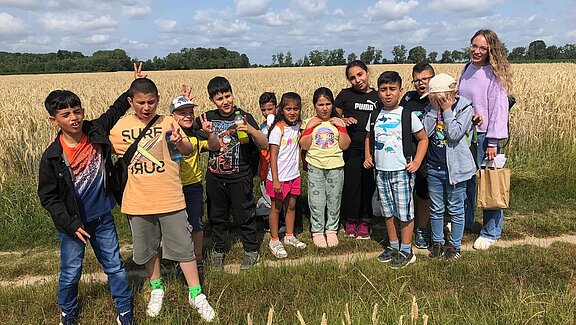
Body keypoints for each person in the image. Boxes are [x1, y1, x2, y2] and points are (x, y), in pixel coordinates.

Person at [109, 77, 215, 322]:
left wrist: (179, 143)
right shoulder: (119, 127)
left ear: (158, 100)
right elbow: (99, 145)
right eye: (141, 103)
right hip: (137, 201)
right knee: (147, 250)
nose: (146, 107)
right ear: (130, 102)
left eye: (152, 102)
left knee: (184, 248)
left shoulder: (167, 122)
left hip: (171, 197)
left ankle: (196, 294)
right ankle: (157, 288)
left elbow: (184, 153)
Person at [38, 84, 134, 324]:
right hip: (74, 225)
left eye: (77, 111)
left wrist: (133, 85)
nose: (74, 118)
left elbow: (115, 110)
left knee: (115, 267)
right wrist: (69, 224)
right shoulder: (52, 156)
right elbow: (48, 197)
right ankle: (67, 313)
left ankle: (124, 312)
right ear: (54, 120)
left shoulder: (95, 131)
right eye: (66, 114)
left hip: (102, 217)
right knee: (71, 274)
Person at [198, 76, 268, 270]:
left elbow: (264, 144)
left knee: (245, 213)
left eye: (227, 96)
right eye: (219, 99)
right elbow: (186, 127)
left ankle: (251, 250)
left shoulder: (243, 116)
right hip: (215, 176)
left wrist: (251, 130)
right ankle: (218, 250)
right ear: (212, 100)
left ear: (232, 94)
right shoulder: (207, 118)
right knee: (217, 215)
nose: (225, 101)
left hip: (240, 175)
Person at [364, 71, 428, 269]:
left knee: (405, 212)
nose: (388, 94)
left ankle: (407, 249)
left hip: (401, 171)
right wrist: (368, 156)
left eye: (392, 89)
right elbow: (369, 136)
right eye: (383, 90)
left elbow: (423, 139)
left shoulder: (407, 115)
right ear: (378, 93)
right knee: (388, 211)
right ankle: (393, 245)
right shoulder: (375, 115)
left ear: (400, 91)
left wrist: (416, 162)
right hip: (381, 171)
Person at [459, 29, 512, 250]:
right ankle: (467, 220)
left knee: (490, 182)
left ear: (491, 50)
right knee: (466, 180)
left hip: (485, 137)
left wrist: (492, 141)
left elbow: (500, 109)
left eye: (483, 48)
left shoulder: (494, 73)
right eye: (474, 46)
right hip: (464, 135)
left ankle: (491, 231)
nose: (477, 51)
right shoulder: (466, 68)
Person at [422, 73, 477, 259]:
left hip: (456, 169)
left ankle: (455, 245)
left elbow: (454, 134)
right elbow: (426, 132)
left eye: (440, 98)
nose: (437, 101)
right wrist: (433, 109)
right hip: (434, 167)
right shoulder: (431, 109)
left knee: (456, 208)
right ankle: (437, 241)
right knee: (436, 208)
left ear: (453, 94)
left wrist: (446, 110)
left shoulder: (465, 108)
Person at [169, 90, 220, 280]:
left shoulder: (197, 135)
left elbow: (214, 146)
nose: (188, 115)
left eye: (190, 111)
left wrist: (210, 133)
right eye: (182, 112)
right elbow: (176, 158)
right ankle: (179, 259)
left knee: (196, 225)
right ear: (172, 116)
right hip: (173, 188)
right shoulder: (169, 135)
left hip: (193, 186)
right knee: (177, 227)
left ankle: (197, 257)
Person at [300, 87, 351, 248]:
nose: (324, 108)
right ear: (314, 105)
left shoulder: (338, 122)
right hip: (315, 165)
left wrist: (341, 127)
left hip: (335, 165)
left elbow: (344, 145)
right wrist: (309, 128)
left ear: (333, 105)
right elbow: (304, 145)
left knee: (334, 199)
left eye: (328, 104)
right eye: (320, 104)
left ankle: (331, 229)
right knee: (317, 200)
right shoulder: (309, 122)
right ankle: (317, 231)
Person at [335, 60, 378, 239]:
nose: (357, 80)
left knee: (369, 185)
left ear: (367, 72)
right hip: (350, 149)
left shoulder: (377, 97)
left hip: (371, 150)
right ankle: (351, 219)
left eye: (360, 74)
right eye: (352, 78)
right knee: (351, 185)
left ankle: (365, 220)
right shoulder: (345, 95)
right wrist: (342, 120)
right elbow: (333, 115)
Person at [399, 62, 435, 249]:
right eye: (417, 80)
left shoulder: (437, 99)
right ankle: (404, 225)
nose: (421, 83)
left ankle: (422, 228)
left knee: (423, 192)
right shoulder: (407, 98)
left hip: (430, 155)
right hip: (407, 154)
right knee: (405, 192)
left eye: (425, 79)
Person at [266, 92, 307, 258]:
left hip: (293, 175)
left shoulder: (297, 126)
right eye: (288, 109)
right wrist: (275, 179)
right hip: (278, 178)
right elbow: (273, 156)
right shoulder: (278, 129)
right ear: (281, 110)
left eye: (296, 109)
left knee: (291, 206)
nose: (292, 112)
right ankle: (274, 239)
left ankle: (289, 236)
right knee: (276, 208)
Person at [256, 92, 285, 234]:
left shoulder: (282, 124)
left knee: (282, 198)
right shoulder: (262, 127)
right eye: (263, 110)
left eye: (270, 109)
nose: (267, 113)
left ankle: (282, 222)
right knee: (269, 197)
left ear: (277, 107)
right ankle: (271, 222)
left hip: (283, 168)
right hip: (265, 168)